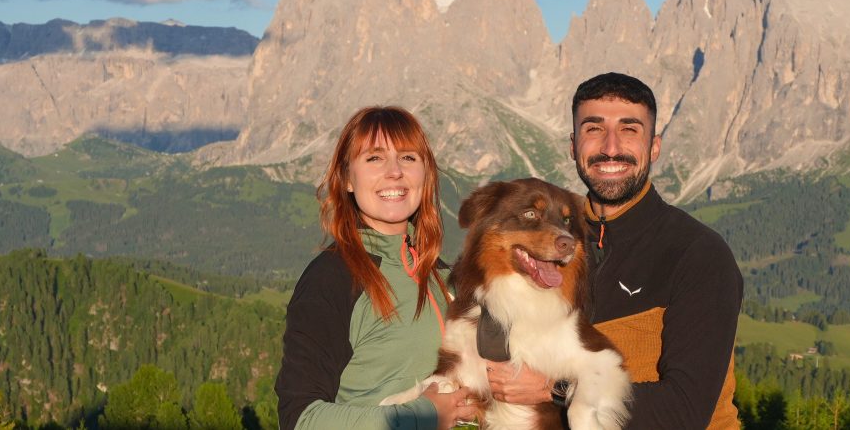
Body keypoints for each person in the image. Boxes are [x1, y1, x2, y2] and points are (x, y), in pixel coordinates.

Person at [486, 72, 744, 429]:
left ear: (654, 147)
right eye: (594, 129)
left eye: (629, 129)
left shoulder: (698, 253)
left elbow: (685, 410)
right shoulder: (547, 247)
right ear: (573, 145)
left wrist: (554, 390)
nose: (610, 147)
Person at [276, 106, 477, 430]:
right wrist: (421, 416)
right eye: (374, 158)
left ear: (425, 174)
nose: (394, 171)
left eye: (408, 157)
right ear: (347, 178)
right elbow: (300, 419)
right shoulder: (332, 278)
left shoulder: (443, 276)